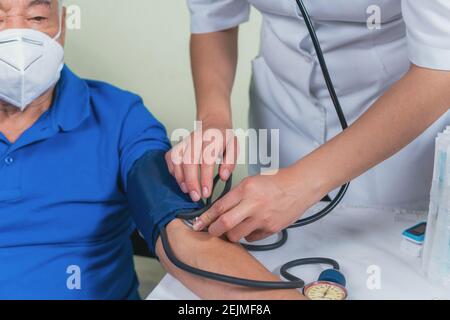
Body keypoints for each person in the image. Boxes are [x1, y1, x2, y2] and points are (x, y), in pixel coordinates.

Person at [0, 0, 303, 300]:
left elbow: (181, 234)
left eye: (37, 17)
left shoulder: (119, 117)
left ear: (63, 26)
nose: (16, 34)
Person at [166, 0, 450, 243]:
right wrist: (213, 118)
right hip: (282, 114)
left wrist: (299, 184)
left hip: (395, 136)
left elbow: (440, 68)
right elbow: (215, 18)